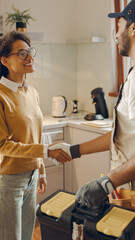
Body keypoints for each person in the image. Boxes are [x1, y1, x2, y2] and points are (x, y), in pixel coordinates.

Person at [50, 0, 135, 209]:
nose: (115, 36)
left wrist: (106, 182)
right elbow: (121, 136)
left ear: (133, 29)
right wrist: (74, 150)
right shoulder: (132, 75)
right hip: (125, 190)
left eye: (118, 28)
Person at [0, 31, 72, 240]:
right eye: (21, 54)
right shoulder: (2, 95)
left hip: (31, 177)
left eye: (30, 52)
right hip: (8, 180)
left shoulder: (31, 92)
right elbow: (3, 145)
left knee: (27, 234)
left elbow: (36, 135)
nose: (30, 57)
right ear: (4, 60)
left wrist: (40, 171)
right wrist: (47, 151)